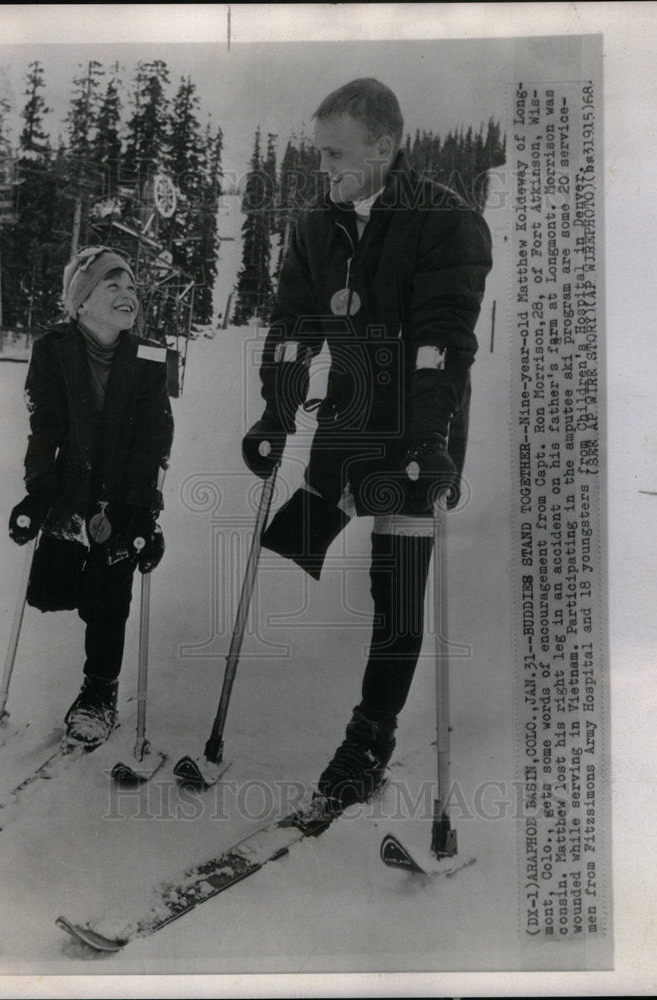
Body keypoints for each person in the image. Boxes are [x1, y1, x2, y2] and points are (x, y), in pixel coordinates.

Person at [242, 79, 493, 809]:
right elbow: (292, 327)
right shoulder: (317, 226)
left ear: (386, 146)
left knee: (398, 583)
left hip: (424, 422)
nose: (324, 168)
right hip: (349, 417)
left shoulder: (446, 222)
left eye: (337, 153)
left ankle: (371, 734)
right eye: (319, 153)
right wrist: (274, 414)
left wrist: (427, 438)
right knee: (301, 532)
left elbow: (444, 342)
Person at [8, 246, 174, 749]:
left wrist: (146, 510)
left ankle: (98, 693)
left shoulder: (149, 356)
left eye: (131, 288)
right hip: (70, 484)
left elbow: (154, 438)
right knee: (58, 585)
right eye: (112, 286)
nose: (128, 296)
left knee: (110, 591)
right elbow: (45, 429)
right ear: (80, 302)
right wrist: (38, 494)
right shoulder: (53, 349)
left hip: (123, 489)